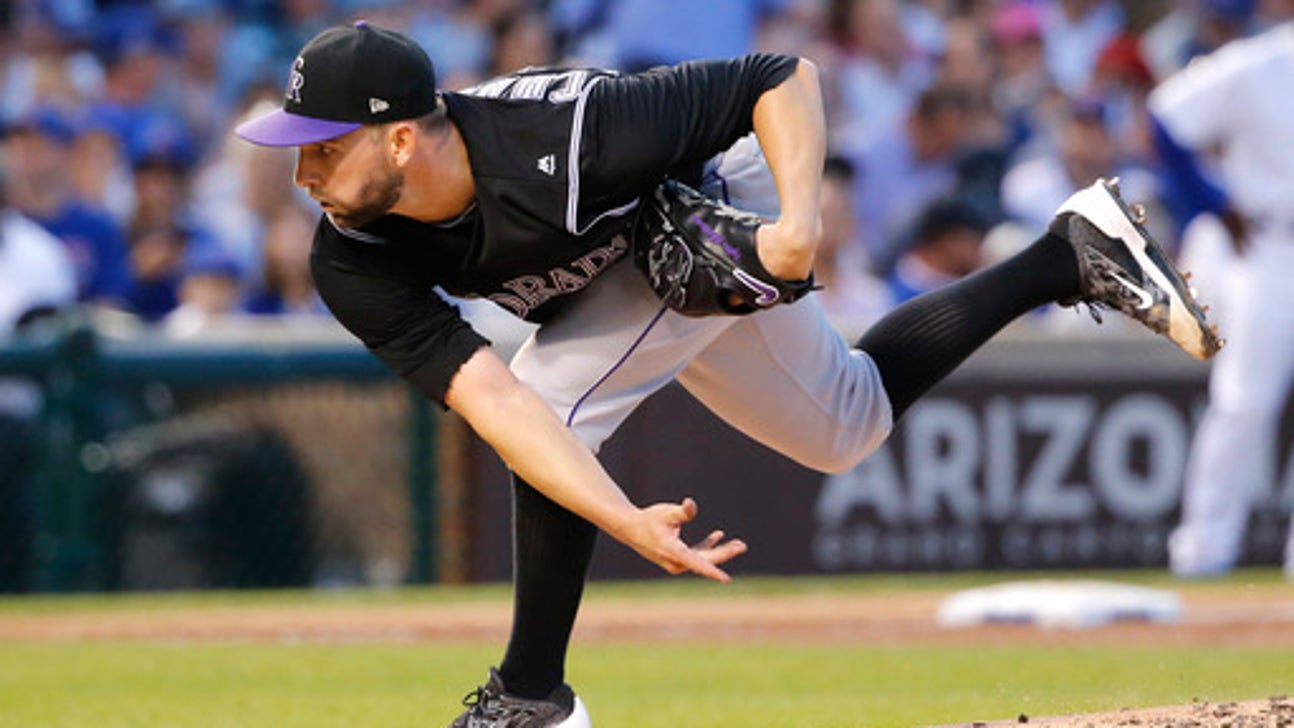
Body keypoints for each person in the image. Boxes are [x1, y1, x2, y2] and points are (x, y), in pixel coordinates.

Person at [235, 22, 1220, 728]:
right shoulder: (350, 255)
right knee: (846, 424)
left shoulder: (566, 133)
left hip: (711, 210)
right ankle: (1069, 250)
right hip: (635, 275)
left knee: (563, 405)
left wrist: (797, 225)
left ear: (401, 135)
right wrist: (622, 519)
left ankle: (531, 694)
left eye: (321, 147)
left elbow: (778, 73)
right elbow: (488, 398)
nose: (303, 173)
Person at [1150, 12, 1294, 579]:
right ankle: (1203, 549)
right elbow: (1164, 117)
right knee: (1243, 401)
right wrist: (1207, 205)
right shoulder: (1261, 63)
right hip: (1272, 245)